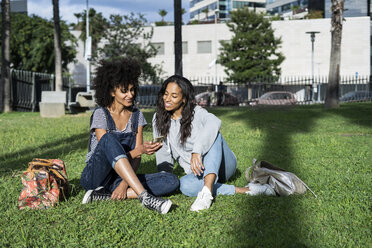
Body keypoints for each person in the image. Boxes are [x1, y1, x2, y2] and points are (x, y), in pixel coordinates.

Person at [153, 75, 275, 212]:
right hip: (198, 172)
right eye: (166, 94)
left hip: (223, 165)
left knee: (214, 134)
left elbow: (214, 122)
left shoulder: (196, 112)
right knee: (185, 185)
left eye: (174, 96)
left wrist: (197, 151)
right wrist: (164, 179)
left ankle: (206, 193)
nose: (167, 99)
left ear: (184, 99)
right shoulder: (159, 118)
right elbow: (162, 151)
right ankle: (245, 190)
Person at [80, 58, 179, 214]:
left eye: (132, 90)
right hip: (95, 177)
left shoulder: (136, 116)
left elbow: (136, 159)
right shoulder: (101, 114)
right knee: (108, 139)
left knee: (171, 181)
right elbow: (108, 153)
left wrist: (124, 184)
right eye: (124, 91)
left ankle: (104, 196)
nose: (130, 95)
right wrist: (139, 150)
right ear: (112, 91)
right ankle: (145, 197)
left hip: (120, 178)